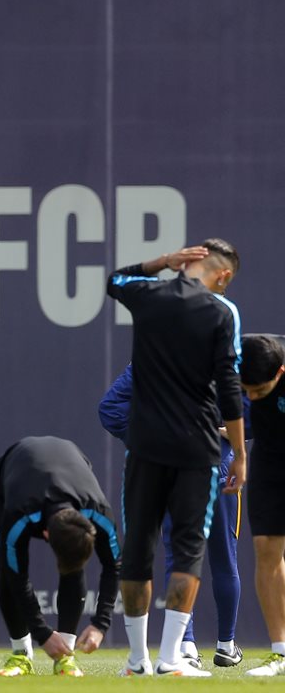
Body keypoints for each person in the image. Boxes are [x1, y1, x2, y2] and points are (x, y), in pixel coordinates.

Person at [105, 240, 245, 677]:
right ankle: (170, 657)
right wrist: (239, 454)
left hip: (145, 445)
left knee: (139, 548)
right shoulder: (221, 313)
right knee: (188, 553)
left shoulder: (149, 294)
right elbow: (228, 390)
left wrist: (161, 262)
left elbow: (114, 280)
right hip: (197, 449)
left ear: (187, 263)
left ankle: (136, 660)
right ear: (222, 276)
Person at [99, 362, 244, 668]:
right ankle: (221, 645)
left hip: (174, 469)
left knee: (180, 557)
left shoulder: (152, 358)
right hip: (213, 467)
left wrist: (154, 437)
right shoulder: (224, 360)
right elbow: (249, 413)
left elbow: (111, 410)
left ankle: (187, 646)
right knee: (222, 558)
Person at [0, 436, 121, 677]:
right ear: (46, 534)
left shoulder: (99, 513)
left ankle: (65, 657)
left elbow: (115, 567)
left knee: (73, 562)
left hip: (72, 462)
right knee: (8, 569)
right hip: (9, 478)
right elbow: (16, 577)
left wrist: (101, 624)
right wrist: (42, 633)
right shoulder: (19, 516)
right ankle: (20, 655)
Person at [237, 334, 285, 676]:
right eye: (246, 391)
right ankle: (281, 652)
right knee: (266, 547)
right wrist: (239, 455)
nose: (251, 398)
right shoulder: (236, 359)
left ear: (281, 372)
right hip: (269, 460)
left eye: (259, 392)